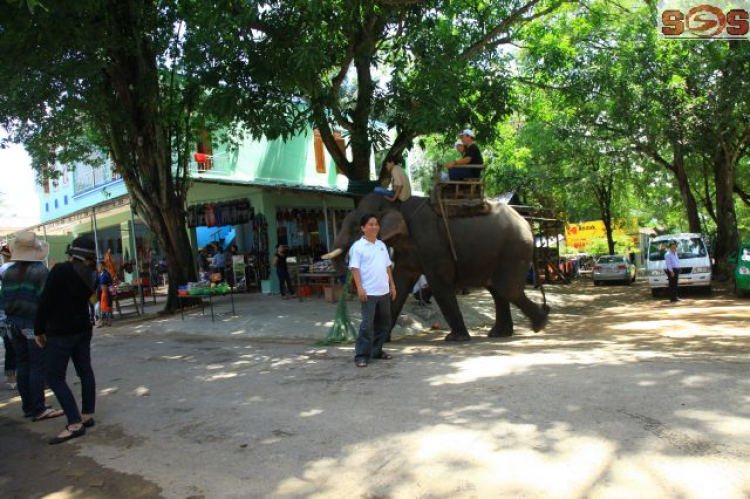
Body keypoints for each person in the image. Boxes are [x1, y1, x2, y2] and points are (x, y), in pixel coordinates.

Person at [35, 236, 98, 445]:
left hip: (61, 332)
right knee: (85, 370)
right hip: (82, 329)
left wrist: (39, 329)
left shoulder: (61, 270)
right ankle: (87, 414)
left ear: (73, 253)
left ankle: (74, 423)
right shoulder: (92, 274)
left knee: (54, 376)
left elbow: (45, 301)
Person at [0, 232, 62, 421]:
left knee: (22, 364)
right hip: (32, 325)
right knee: (37, 366)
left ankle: (28, 406)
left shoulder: (8, 272)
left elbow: (4, 299)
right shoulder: (38, 270)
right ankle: (38, 407)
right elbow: (46, 301)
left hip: (12, 324)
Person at [349, 214, 397, 368]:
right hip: (368, 292)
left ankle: (376, 351)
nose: (375, 226)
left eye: (376, 224)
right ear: (363, 228)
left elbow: (387, 267)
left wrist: (392, 285)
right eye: (370, 224)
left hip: (383, 292)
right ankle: (361, 355)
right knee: (367, 325)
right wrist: (360, 288)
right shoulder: (358, 246)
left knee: (384, 324)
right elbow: (354, 269)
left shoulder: (381, 245)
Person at [0, 244, 16, 390]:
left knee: (10, 347)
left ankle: (12, 378)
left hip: (4, 315)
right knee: (15, 347)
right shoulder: (14, 269)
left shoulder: (4, 270)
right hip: (11, 315)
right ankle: (13, 378)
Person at [97, 263, 113, 327]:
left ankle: (109, 321)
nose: (99, 268)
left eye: (100, 266)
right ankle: (103, 321)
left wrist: (110, 289)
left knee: (108, 306)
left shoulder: (107, 274)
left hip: (107, 293)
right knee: (102, 307)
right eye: (98, 267)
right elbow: (98, 284)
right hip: (101, 293)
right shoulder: (99, 275)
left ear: (103, 267)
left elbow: (110, 283)